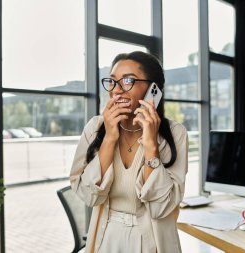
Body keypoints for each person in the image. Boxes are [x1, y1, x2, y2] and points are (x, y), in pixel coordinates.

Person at [70, 51, 189, 253]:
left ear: (153, 89)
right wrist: (109, 137)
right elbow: (90, 197)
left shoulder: (175, 134)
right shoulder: (95, 128)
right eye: (113, 81)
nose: (116, 90)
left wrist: (151, 144)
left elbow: (160, 208)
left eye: (128, 81)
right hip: (106, 238)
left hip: (153, 239)